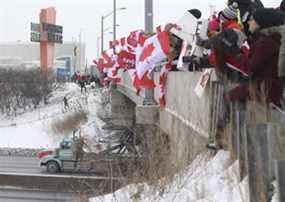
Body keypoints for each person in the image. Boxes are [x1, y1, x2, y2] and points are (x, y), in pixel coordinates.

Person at [225, 8, 285, 106]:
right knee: (234, 93)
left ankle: (226, 121)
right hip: (268, 88)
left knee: (229, 96)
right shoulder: (268, 40)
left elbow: (251, 68)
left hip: (266, 90)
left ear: (261, 23)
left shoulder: (266, 43)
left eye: (252, 19)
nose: (248, 22)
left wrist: (237, 55)